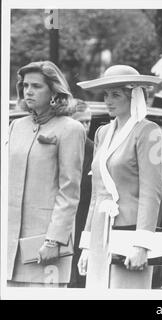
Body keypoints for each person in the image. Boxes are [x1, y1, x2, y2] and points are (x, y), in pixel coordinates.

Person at [76, 65, 162, 289]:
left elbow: (151, 191)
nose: (108, 100)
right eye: (106, 94)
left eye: (116, 94)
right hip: (99, 232)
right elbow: (97, 192)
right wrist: (86, 244)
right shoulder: (102, 132)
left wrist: (142, 244)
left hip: (129, 233)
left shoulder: (148, 131)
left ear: (133, 97)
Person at [7, 61, 86, 287]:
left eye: (36, 86)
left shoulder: (71, 129)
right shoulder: (15, 126)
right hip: (8, 245)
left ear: (54, 90)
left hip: (44, 247)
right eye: (25, 85)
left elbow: (69, 191)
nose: (28, 91)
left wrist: (54, 240)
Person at [68, 99, 94, 288]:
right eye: (81, 122)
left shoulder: (93, 149)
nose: (86, 127)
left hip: (84, 219)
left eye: (88, 122)